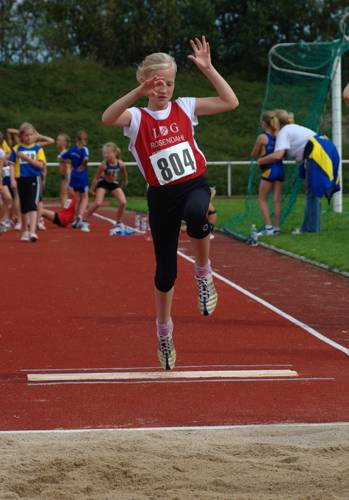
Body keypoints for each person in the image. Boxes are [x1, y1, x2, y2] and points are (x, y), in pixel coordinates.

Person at [101, 36, 239, 370]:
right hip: (161, 196)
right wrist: (138, 93)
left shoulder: (186, 107)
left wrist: (208, 68)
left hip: (193, 184)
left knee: (196, 214)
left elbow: (230, 102)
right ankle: (164, 330)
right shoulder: (135, 118)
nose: (164, 89)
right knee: (165, 273)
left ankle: (204, 272)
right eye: (158, 84)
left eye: (170, 83)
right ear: (146, 83)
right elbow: (107, 118)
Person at [258, 109, 340, 234]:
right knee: (311, 192)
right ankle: (310, 227)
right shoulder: (293, 128)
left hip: (317, 152)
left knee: (312, 193)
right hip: (324, 148)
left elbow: (278, 155)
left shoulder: (283, 132)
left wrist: (261, 161)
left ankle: (310, 228)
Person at [7, 122, 47, 241]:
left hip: (34, 178)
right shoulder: (16, 149)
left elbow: (41, 165)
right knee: (23, 208)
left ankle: (32, 232)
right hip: (21, 180)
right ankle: (24, 231)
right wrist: (12, 179)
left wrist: (26, 158)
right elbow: (12, 166)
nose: (28, 138)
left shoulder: (38, 148)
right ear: (21, 137)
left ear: (34, 136)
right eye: (26, 135)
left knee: (32, 205)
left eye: (30, 135)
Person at [251, 110, 285, 235]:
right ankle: (276, 228)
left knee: (262, 199)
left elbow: (254, 154)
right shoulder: (280, 135)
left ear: (264, 123)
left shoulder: (262, 137)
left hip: (269, 170)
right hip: (280, 169)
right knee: (277, 200)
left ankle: (268, 227)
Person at [85, 142, 128, 228]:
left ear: (115, 153)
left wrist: (125, 181)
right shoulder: (103, 165)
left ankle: (118, 222)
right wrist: (91, 189)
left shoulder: (120, 164)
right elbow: (96, 177)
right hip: (103, 182)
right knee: (98, 203)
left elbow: (124, 173)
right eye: (104, 153)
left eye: (108, 153)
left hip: (113, 183)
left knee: (123, 202)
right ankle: (83, 219)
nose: (106, 155)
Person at [60, 130, 89, 231]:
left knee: (76, 197)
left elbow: (61, 158)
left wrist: (70, 162)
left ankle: (76, 217)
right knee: (85, 196)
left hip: (74, 174)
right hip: (82, 175)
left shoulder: (72, 150)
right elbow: (86, 159)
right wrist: (82, 166)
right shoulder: (84, 149)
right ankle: (80, 216)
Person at [56, 133, 71, 207]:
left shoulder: (65, 153)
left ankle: (67, 213)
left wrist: (67, 179)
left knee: (64, 197)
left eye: (59, 140)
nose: (57, 142)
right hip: (64, 178)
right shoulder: (62, 153)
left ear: (64, 142)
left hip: (66, 178)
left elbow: (68, 167)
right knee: (63, 196)